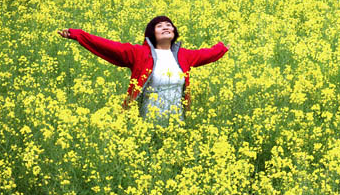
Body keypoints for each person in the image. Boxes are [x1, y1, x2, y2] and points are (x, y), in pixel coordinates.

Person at [58, 16, 228, 123]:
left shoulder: (184, 55)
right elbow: (108, 46)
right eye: (160, 26)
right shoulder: (138, 53)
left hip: (177, 122)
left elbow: (207, 54)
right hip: (146, 123)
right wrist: (78, 35)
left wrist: (223, 48)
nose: (166, 27)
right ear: (151, 33)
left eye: (169, 25)